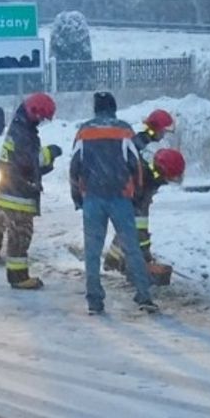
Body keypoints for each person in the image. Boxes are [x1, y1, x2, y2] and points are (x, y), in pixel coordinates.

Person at [69, 91, 157, 315]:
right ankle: (144, 296)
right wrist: (135, 193)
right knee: (132, 249)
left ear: (96, 109)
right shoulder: (124, 130)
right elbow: (135, 165)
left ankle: (95, 301)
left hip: (93, 199)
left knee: (92, 251)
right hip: (120, 198)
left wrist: (78, 195)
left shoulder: (84, 131)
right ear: (114, 108)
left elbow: (74, 166)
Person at [0, 92, 60, 289]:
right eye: (41, 117)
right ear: (34, 112)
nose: (41, 122)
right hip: (18, 194)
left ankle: (17, 275)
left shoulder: (20, 128)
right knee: (20, 236)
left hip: (13, 189)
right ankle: (18, 277)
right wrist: (50, 153)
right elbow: (30, 162)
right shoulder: (23, 133)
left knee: (19, 235)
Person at [104, 147, 186, 284]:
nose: (172, 180)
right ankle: (116, 264)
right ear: (164, 171)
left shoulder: (149, 176)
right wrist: (146, 260)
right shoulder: (142, 182)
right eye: (172, 177)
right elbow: (138, 225)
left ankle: (112, 263)